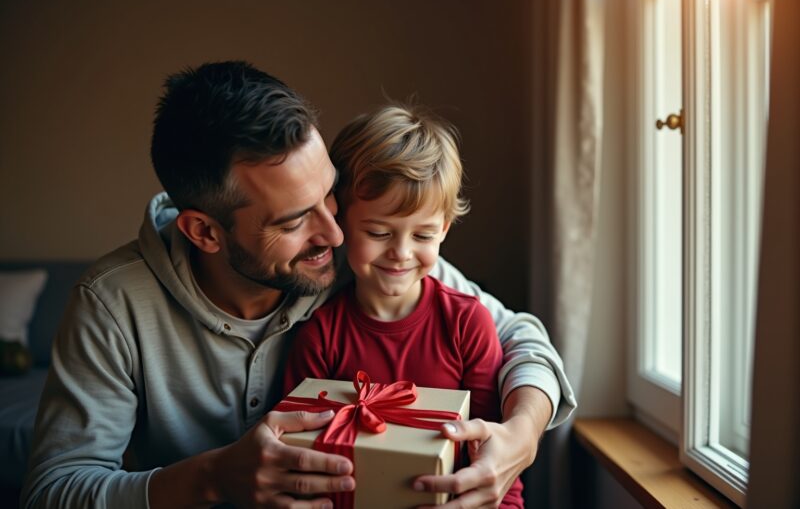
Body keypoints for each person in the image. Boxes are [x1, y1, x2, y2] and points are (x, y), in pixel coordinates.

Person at [21, 61, 575, 509]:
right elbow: (54, 491)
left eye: (330, 196)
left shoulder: (361, 262)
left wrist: (521, 437)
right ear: (204, 232)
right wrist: (211, 478)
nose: (333, 232)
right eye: (292, 221)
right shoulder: (111, 305)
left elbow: (520, 338)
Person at [283, 104, 525, 507]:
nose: (400, 252)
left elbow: (495, 458)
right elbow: (304, 458)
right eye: (378, 232)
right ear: (339, 221)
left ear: (444, 229)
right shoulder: (319, 335)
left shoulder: (468, 324)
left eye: (424, 235)